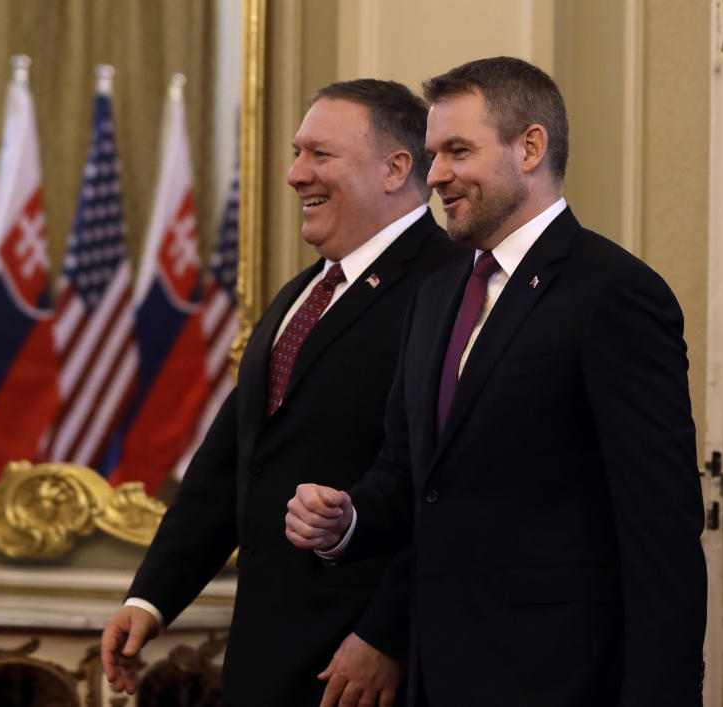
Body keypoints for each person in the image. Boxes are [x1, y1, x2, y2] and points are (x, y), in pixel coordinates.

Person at [285, 57, 707, 706]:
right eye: (432, 155)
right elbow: (410, 475)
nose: (436, 176)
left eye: (458, 151)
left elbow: (661, 534)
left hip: (562, 680)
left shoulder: (615, 293)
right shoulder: (435, 298)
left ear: (530, 147)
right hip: (436, 677)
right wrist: (347, 518)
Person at [101, 78, 465, 707]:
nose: (296, 174)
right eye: (298, 153)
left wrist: (388, 635)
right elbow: (232, 461)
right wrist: (152, 597)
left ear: (395, 168)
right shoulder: (302, 293)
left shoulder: (451, 288)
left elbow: (454, 489)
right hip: (268, 658)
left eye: (320, 155)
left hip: (368, 672)